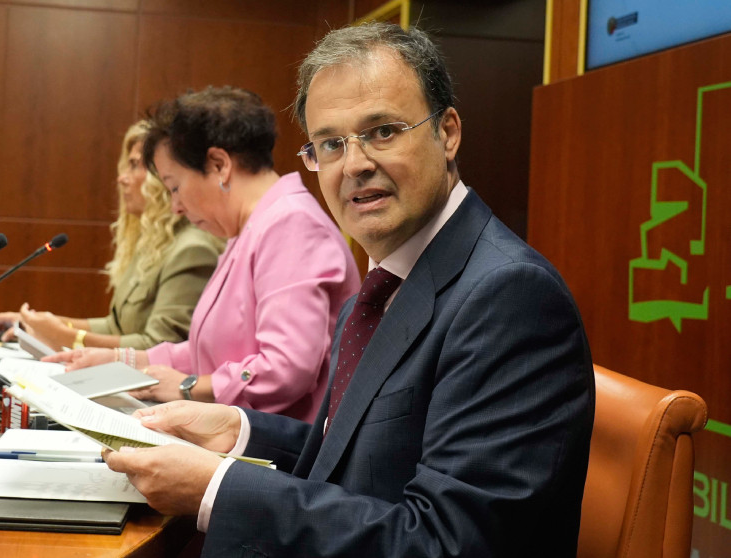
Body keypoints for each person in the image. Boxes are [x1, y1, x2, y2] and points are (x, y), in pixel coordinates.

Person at [101, 23, 596, 558]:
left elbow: (447, 543)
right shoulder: (388, 282)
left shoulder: (508, 296)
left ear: (448, 132)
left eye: (383, 131)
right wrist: (239, 432)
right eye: (331, 144)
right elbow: (352, 461)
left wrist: (216, 489)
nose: (355, 164)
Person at [45, 86, 360, 423]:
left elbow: (286, 369)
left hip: (281, 454)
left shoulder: (291, 226)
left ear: (219, 164)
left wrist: (187, 386)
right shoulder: (250, 228)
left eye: (174, 187)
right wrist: (123, 360)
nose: (175, 207)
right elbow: (209, 352)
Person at [0, 121, 223, 351]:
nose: (122, 178)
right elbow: (114, 327)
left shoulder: (191, 250)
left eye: (135, 165)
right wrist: (39, 323)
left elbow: (158, 347)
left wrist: (65, 337)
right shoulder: (154, 243)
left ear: (161, 177)